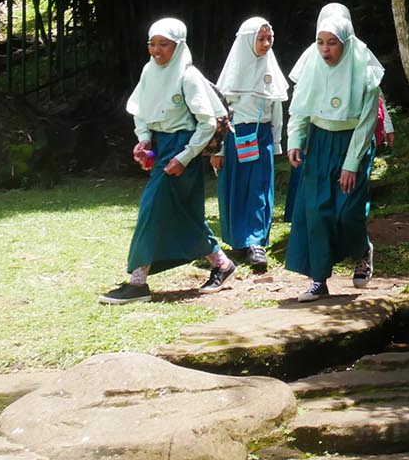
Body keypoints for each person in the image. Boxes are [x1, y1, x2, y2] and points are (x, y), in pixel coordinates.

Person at [99, 18, 236, 304]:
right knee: (183, 214)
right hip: (162, 146)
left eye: (164, 45)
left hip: (181, 147)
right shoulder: (150, 71)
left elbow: (207, 123)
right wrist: (144, 138)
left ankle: (138, 282)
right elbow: (141, 109)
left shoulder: (188, 76)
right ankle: (222, 264)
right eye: (152, 44)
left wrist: (184, 157)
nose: (157, 51)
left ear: (178, 46)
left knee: (151, 208)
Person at [284, 11, 380, 301]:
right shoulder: (312, 63)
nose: (325, 49)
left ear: (346, 42)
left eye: (332, 43)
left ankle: (362, 251)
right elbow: (300, 109)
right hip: (319, 143)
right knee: (317, 212)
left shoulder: (364, 67)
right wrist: (295, 140)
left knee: (347, 211)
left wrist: (351, 164)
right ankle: (319, 279)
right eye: (320, 42)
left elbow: (366, 122)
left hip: (353, 144)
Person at [212, 16, 288, 273]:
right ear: (247, 40)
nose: (266, 44)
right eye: (261, 38)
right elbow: (220, 114)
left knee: (259, 188)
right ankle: (238, 241)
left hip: (262, 136)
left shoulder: (271, 70)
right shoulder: (231, 74)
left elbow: (276, 108)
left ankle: (256, 243)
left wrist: (277, 142)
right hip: (234, 136)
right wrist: (218, 149)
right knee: (235, 188)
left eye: (269, 39)